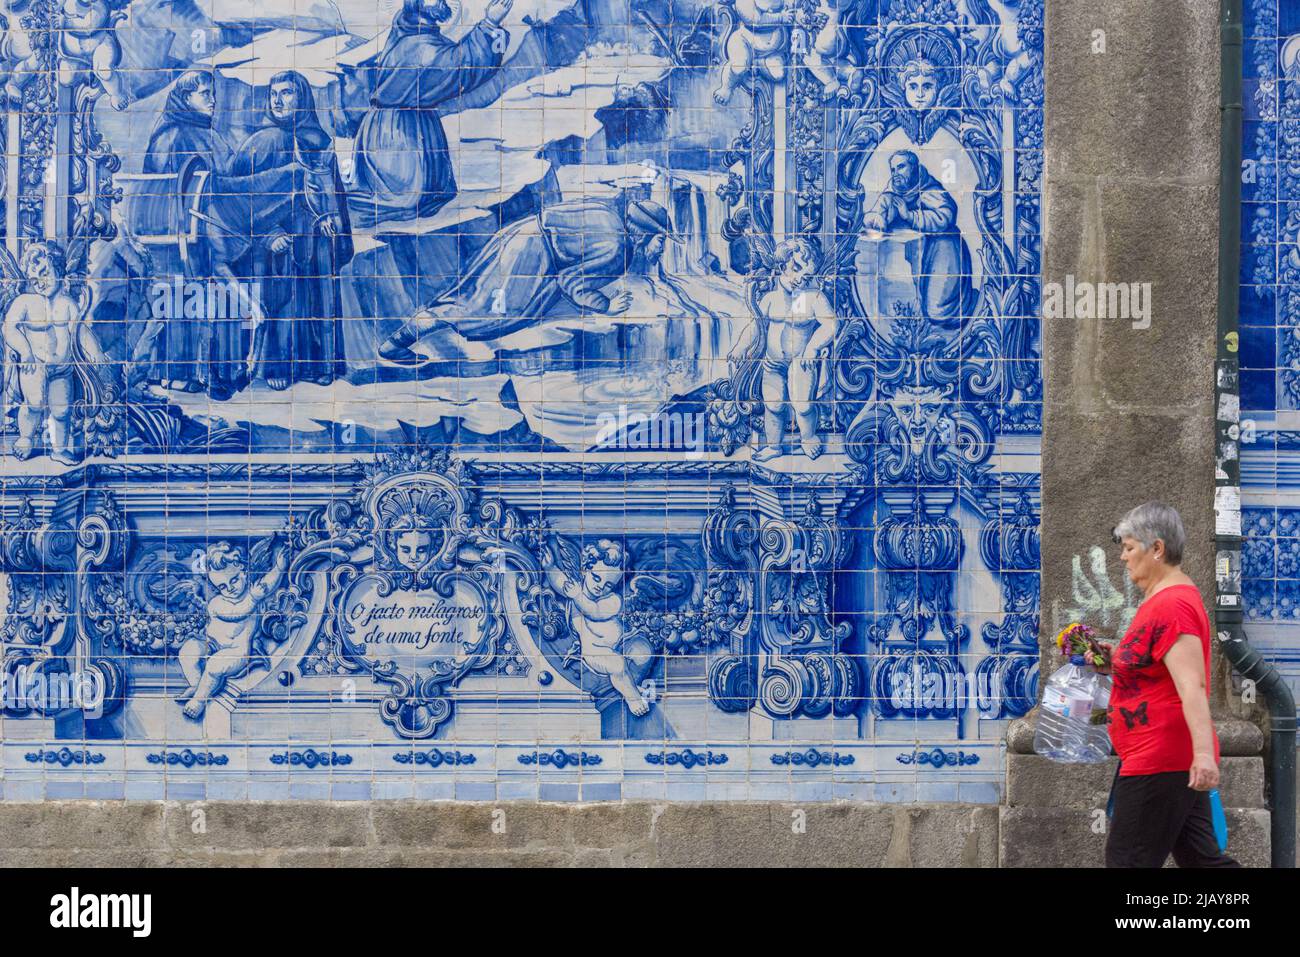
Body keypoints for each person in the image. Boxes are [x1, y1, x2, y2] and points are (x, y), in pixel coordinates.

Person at [1101, 501, 1240, 868]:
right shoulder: (1162, 601)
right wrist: (1111, 658)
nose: (1123, 558)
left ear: (1157, 549)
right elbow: (1154, 667)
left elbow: (1191, 685)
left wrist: (1205, 755)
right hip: (1167, 758)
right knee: (1202, 862)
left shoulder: (1173, 605)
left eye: (1129, 548)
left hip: (1159, 759)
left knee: (1126, 861)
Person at [378, 197, 672, 365]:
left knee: (464, 299)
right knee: (473, 311)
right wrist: (605, 305)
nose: (661, 249)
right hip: (530, 257)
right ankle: (393, 346)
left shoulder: (608, 215)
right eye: (661, 240)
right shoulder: (617, 250)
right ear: (644, 233)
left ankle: (396, 343)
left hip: (519, 235)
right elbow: (571, 282)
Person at [232, 70, 352, 391]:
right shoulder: (263, 141)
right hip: (274, 242)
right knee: (282, 299)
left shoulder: (319, 139)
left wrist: (333, 221)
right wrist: (269, 234)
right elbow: (241, 197)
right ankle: (276, 364)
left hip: (317, 240)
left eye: (287, 93)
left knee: (317, 298)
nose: (278, 100)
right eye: (274, 94)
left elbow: (333, 194)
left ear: (303, 98)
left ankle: (321, 365)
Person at [348, 0, 512, 228]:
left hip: (407, 126)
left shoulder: (412, 32)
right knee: (407, 200)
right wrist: (489, 24)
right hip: (395, 139)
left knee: (427, 197)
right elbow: (459, 66)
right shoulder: (416, 46)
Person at [137, 71, 228, 394]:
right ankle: (174, 373)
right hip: (175, 239)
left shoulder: (203, 134)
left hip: (196, 236)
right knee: (179, 300)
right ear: (185, 99)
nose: (212, 99)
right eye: (204, 93)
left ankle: (195, 372)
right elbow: (166, 190)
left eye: (211, 92)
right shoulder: (173, 136)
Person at [727, 237, 835, 461]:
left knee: (803, 406)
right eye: (795, 269)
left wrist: (813, 348)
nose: (798, 278)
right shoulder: (770, 299)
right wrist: (740, 346)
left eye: (805, 275)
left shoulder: (813, 298)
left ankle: (808, 438)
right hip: (772, 363)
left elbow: (831, 324)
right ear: (781, 265)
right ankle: (774, 446)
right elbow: (754, 328)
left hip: (801, 361)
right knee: (773, 405)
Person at [863, 149, 976, 328]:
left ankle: (970, 302)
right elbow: (880, 211)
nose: (895, 174)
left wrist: (909, 216)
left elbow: (946, 216)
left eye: (901, 167)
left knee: (937, 311)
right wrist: (877, 219)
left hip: (943, 247)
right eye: (893, 169)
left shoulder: (931, 189)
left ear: (914, 169)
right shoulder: (893, 193)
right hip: (913, 248)